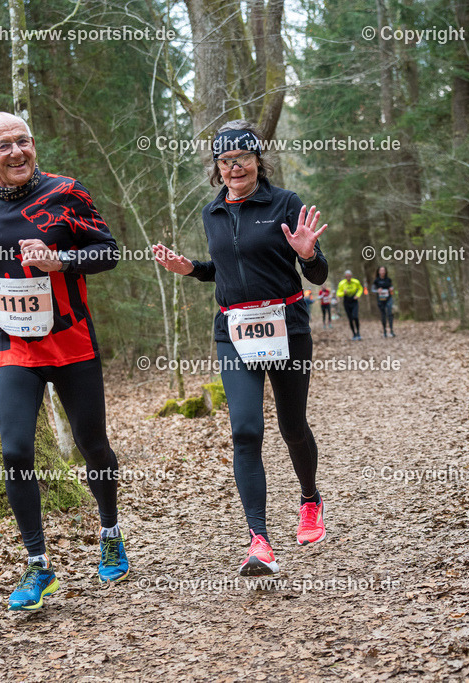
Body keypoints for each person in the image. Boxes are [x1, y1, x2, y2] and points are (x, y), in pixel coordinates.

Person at [0, 112, 128, 611]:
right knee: (15, 451)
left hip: (72, 341)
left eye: (24, 141)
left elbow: (108, 251)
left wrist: (63, 261)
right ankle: (37, 564)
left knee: (92, 446)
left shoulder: (67, 193)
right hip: (14, 345)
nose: (17, 152)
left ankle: (111, 531)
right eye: (3, 145)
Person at [152, 120, 329, 577]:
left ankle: (310, 500)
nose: (235, 168)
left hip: (286, 326)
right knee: (245, 431)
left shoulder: (284, 203)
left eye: (243, 159)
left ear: (257, 161)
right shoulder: (212, 212)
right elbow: (226, 270)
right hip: (233, 330)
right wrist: (190, 267)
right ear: (217, 167)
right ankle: (259, 540)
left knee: (292, 426)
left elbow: (319, 276)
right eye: (226, 161)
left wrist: (308, 254)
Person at [337, 270, 362, 340]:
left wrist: (358, 295)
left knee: (355, 317)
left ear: (351, 276)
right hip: (346, 301)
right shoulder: (342, 283)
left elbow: (360, 289)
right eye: (347, 276)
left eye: (349, 276)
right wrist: (343, 293)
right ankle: (354, 334)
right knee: (350, 319)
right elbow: (338, 293)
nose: (348, 277)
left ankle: (358, 333)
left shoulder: (356, 282)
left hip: (354, 300)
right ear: (345, 277)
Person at [372, 266, 395, 337]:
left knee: (390, 313)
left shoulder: (388, 279)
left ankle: (391, 330)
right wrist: (377, 290)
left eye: (384, 270)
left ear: (385, 271)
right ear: (379, 272)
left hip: (388, 298)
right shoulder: (376, 280)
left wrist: (391, 288)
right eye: (381, 270)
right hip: (381, 299)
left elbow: (392, 287)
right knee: (383, 314)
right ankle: (384, 330)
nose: (382, 272)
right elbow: (373, 289)